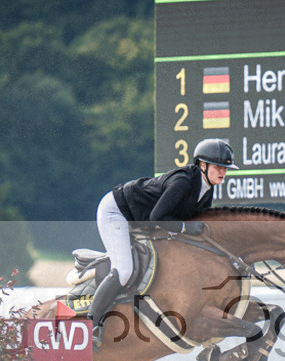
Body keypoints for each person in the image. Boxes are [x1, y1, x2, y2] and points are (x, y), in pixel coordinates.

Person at [90, 138, 239, 346]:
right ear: (202, 166)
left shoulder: (207, 188)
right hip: (117, 211)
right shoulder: (184, 181)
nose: (223, 172)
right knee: (124, 270)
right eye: (218, 167)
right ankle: (92, 324)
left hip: (140, 218)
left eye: (225, 168)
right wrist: (186, 228)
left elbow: (201, 226)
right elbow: (158, 217)